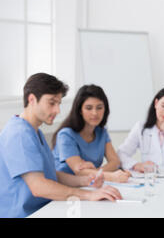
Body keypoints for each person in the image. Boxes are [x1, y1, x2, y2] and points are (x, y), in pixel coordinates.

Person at [0, 73, 122, 218]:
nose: (57, 111)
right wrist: (88, 195)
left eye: (58, 104)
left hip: (47, 208)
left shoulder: (34, 131)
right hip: (25, 214)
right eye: (52, 103)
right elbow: (39, 187)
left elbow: (50, 174)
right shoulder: (19, 134)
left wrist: (84, 180)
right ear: (31, 99)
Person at [52, 84, 131, 183]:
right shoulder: (65, 135)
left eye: (99, 107)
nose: (95, 113)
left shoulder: (102, 132)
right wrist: (109, 176)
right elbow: (79, 172)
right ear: (80, 110)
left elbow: (115, 162)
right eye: (89, 108)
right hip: (65, 187)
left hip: (90, 185)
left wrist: (96, 173)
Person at [117, 86, 164, 173]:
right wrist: (137, 165)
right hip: (149, 178)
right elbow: (121, 154)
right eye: (163, 106)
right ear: (156, 103)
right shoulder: (141, 127)